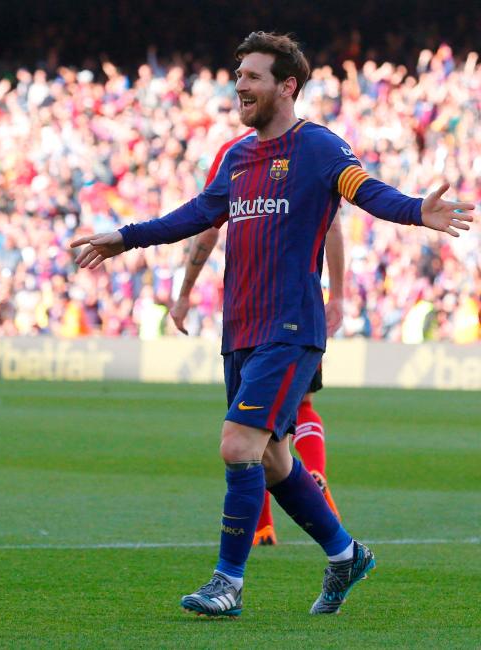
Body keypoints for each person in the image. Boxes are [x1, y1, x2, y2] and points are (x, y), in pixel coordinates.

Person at [72, 31, 473, 617]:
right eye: (238, 77)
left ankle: (227, 583)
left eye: (253, 77)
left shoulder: (319, 148)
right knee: (273, 458)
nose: (240, 86)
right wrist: (124, 237)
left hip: (291, 328)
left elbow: (365, 193)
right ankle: (345, 553)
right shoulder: (237, 157)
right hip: (241, 329)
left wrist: (416, 210)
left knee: (237, 445)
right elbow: (197, 216)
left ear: (287, 86)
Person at [170, 132, 344, 545]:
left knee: (248, 429)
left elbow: (207, 230)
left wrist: (184, 294)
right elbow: (334, 225)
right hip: (262, 311)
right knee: (285, 418)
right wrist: (337, 294)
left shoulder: (255, 150)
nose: (243, 88)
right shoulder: (257, 152)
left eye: (251, 78)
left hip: (272, 315)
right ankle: (326, 513)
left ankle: (255, 537)